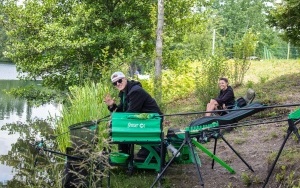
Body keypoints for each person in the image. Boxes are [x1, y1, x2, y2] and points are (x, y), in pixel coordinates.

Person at [104, 71, 163, 156]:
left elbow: (131, 112)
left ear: (125, 79)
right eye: (114, 83)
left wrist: (117, 121)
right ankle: (124, 156)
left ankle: (124, 156)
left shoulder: (135, 91)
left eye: (119, 81)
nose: (118, 84)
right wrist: (112, 105)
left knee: (121, 128)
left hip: (152, 121)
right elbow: (122, 110)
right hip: (143, 120)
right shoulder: (124, 93)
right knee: (120, 127)